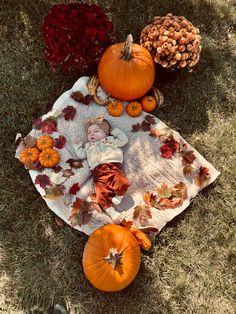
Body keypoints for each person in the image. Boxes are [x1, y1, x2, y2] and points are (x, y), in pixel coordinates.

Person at [74, 115, 130, 223]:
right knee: (100, 194)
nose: (92, 134)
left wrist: (114, 131)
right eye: (89, 133)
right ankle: (112, 212)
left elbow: (124, 140)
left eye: (96, 131)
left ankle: (119, 197)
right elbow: (81, 154)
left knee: (123, 182)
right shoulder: (88, 146)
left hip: (112, 168)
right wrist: (78, 145)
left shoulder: (110, 140)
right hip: (98, 174)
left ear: (106, 133)